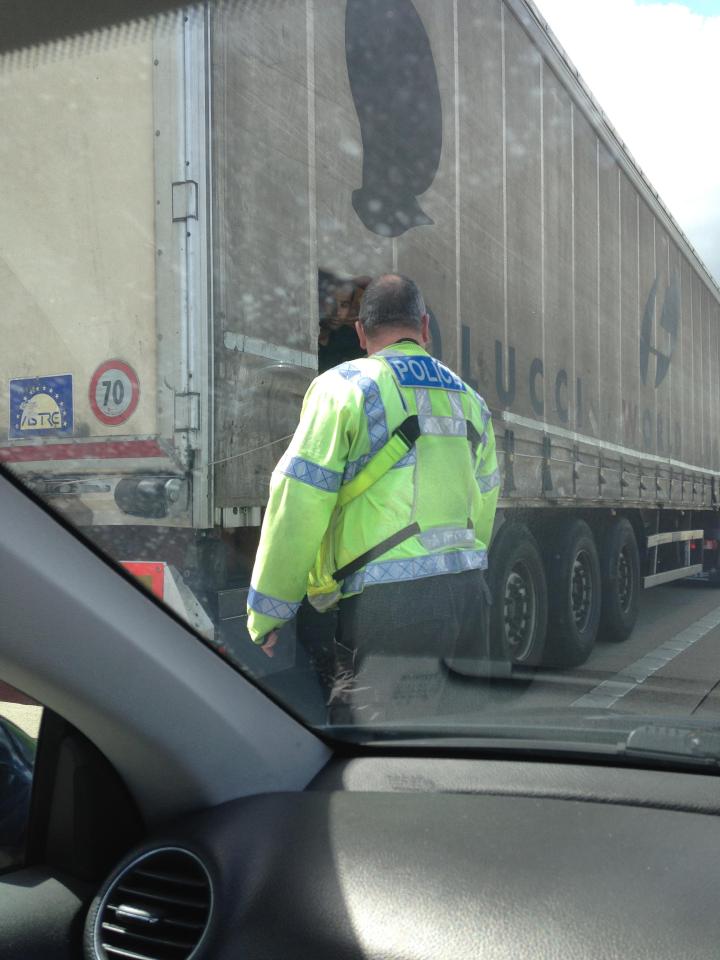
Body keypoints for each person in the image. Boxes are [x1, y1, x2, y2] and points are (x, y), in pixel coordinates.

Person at [246, 274, 500, 715]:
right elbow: (485, 502)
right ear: (424, 327)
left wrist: (270, 610)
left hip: (389, 606)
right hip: (468, 594)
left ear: (361, 333)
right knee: (464, 738)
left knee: (379, 752)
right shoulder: (470, 400)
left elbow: (300, 499)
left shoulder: (344, 388)